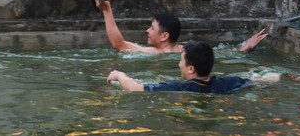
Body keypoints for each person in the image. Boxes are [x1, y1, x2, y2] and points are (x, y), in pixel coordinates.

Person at [96, 0, 267, 55]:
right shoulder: (187, 50)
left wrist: (106, 10)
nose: (147, 31)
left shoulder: (152, 52)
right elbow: (218, 53)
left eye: (152, 28)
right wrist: (242, 49)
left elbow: (119, 45)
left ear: (164, 36)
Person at [107, 41, 279, 94]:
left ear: (191, 69)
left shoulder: (179, 88)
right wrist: (275, 76)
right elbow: (260, 80)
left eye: (181, 60)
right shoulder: (227, 82)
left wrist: (120, 75)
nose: (178, 63)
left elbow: (135, 89)